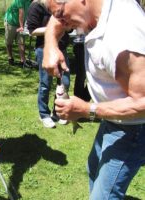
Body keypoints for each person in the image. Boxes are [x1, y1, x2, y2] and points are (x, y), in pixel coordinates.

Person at [42, 0, 145, 199]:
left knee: (104, 195)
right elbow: (57, 18)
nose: (61, 22)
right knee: (94, 167)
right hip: (114, 119)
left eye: (62, 14)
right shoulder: (88, 9)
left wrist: (87, 110)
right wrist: (50, 45)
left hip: (135, 126)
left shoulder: (124, 38)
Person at [26, 0, 70, 128]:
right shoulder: (37, 5)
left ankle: (58, 112)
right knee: (45, 83)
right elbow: (32, 31)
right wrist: (53, 27)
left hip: (62, 48)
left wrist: (68, 25)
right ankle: (44, 114)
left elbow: (70, 27)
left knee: (65, 82)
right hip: (44, 49)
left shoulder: (62, 5)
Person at [4, 0, 31, 66]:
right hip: (11, 22)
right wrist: (22, 27)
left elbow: (30, 13)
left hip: (20, 23)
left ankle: (22, 61)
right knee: (9, 42)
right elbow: (21, 13)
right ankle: (10, 58)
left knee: (21, 42)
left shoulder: (30, 1)